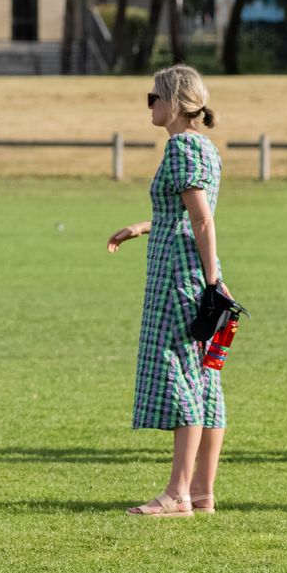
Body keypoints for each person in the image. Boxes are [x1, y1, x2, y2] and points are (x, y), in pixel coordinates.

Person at [107, 65, 228, 517]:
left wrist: (210, 283)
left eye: (153, 97)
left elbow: (202, 219)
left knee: (181, 375)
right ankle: (201, 492)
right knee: (205, 379)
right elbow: (187, 213)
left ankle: (178, 494)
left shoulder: (181, 146)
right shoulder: (204, 147)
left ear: (174, 102)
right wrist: (143, 226)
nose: (150, 106)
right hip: (196, 271)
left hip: (180, 278)